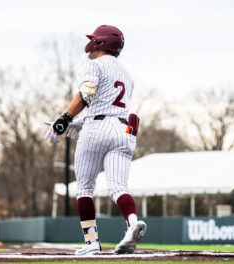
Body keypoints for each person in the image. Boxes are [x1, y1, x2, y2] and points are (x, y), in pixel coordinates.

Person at [45, 25, 146, 255]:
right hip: (124, 130)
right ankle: (132, 224)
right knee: (118, 187)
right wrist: (79, 123)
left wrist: (66, 118)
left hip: (97, 129)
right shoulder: (127, 74)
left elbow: (88, 93)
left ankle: (91, 243)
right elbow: (110, 106)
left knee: (84, 189)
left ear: (100, 43)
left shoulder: (93, 65)